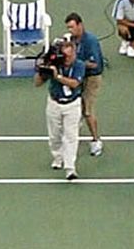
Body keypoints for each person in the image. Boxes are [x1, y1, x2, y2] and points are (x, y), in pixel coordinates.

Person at [37, 32, 87, 181]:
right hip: (54, 103)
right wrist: (43, 69)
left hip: (72, 104)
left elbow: (74, 83)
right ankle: (58, 158)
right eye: (65, 54)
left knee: (71, 136)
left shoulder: (79, 65)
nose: (68, 57)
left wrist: (57, 76)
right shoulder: (55, 64)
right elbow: (37, 83)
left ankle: (70, 168)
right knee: (54, 136)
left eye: (70, 53)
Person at [64, 11, 108, 158]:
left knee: (88, 110)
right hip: (80, 76)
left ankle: (96, 141)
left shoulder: (91, 41)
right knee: (75, 104)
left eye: (72, 27)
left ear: (80, 25)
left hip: (92, 78)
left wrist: (77, 63)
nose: (70, 30)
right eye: (68, 28)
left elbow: (94, 64)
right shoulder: (72, 40)